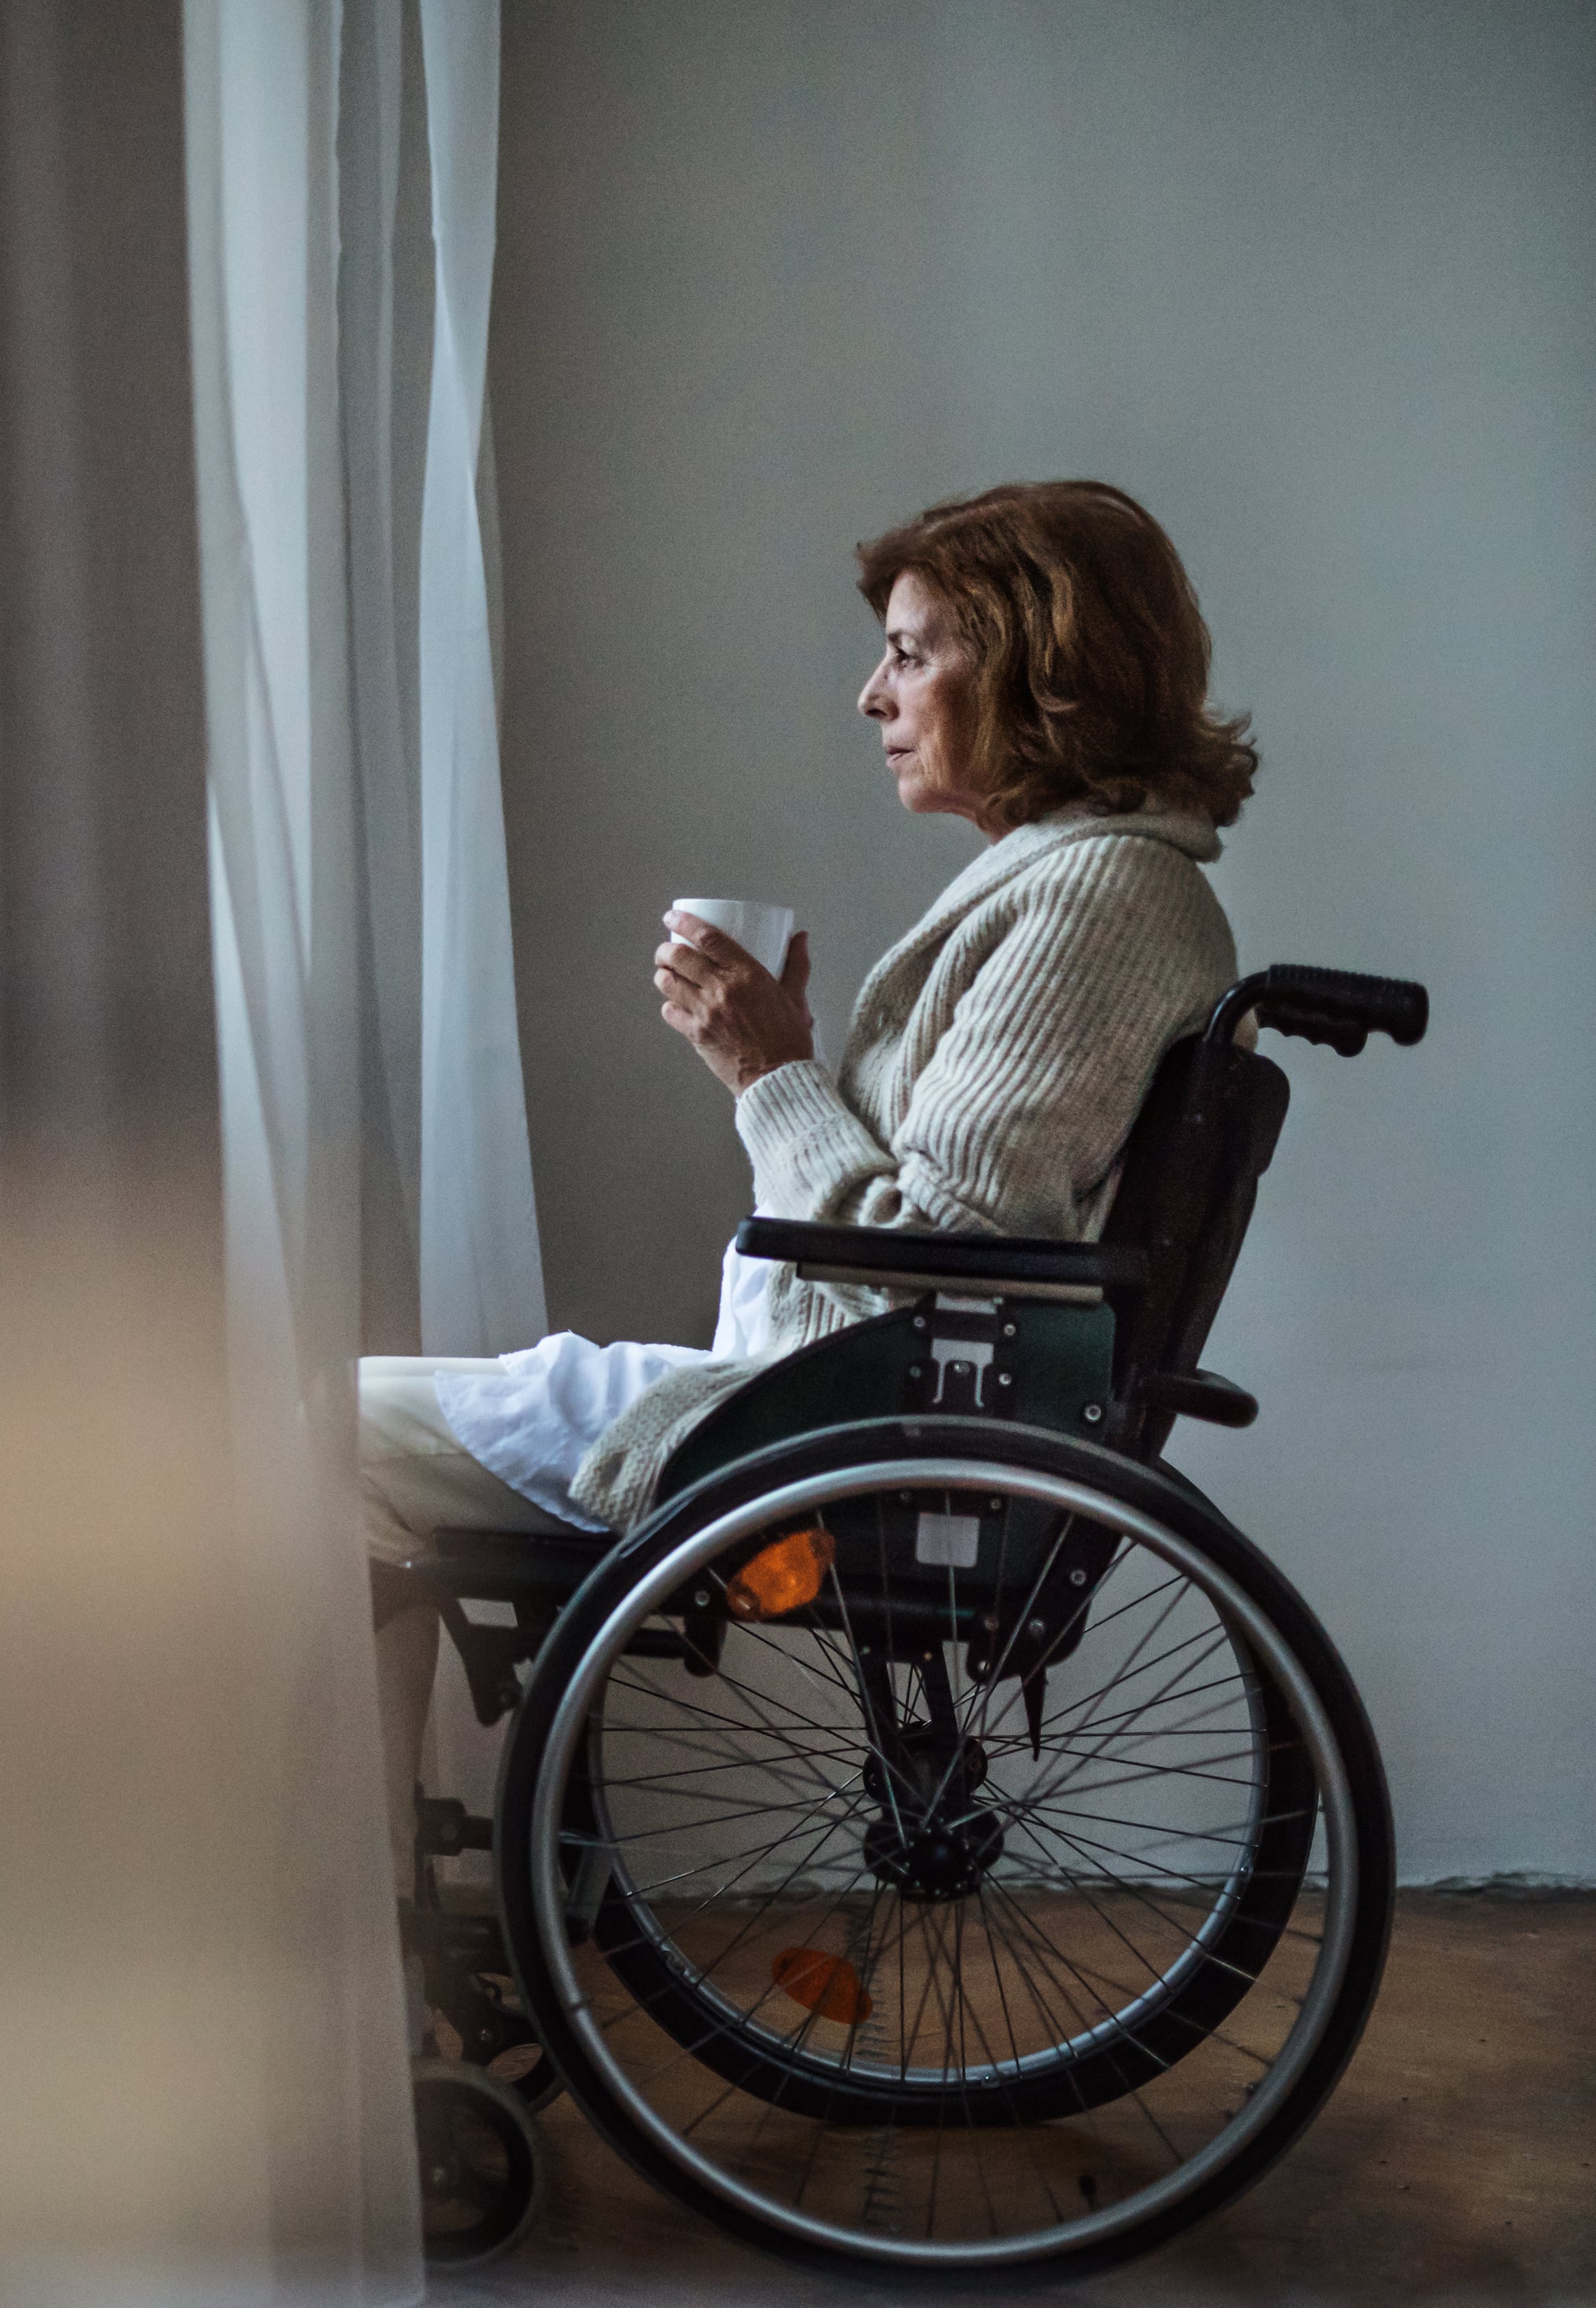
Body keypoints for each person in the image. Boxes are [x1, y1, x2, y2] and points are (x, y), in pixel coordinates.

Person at [361, 479, 1259, 1885]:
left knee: (307, 1428)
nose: (870, 695)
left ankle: (335, 1919)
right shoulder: (1087, 887)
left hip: (832, 1427)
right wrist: (775, 1062)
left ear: (1037, 666)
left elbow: (939, 1247)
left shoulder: (1091, 900)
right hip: (832, 1402)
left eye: (909, 652)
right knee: (358, 1429)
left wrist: (770, 1073)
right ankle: (365, 1898)